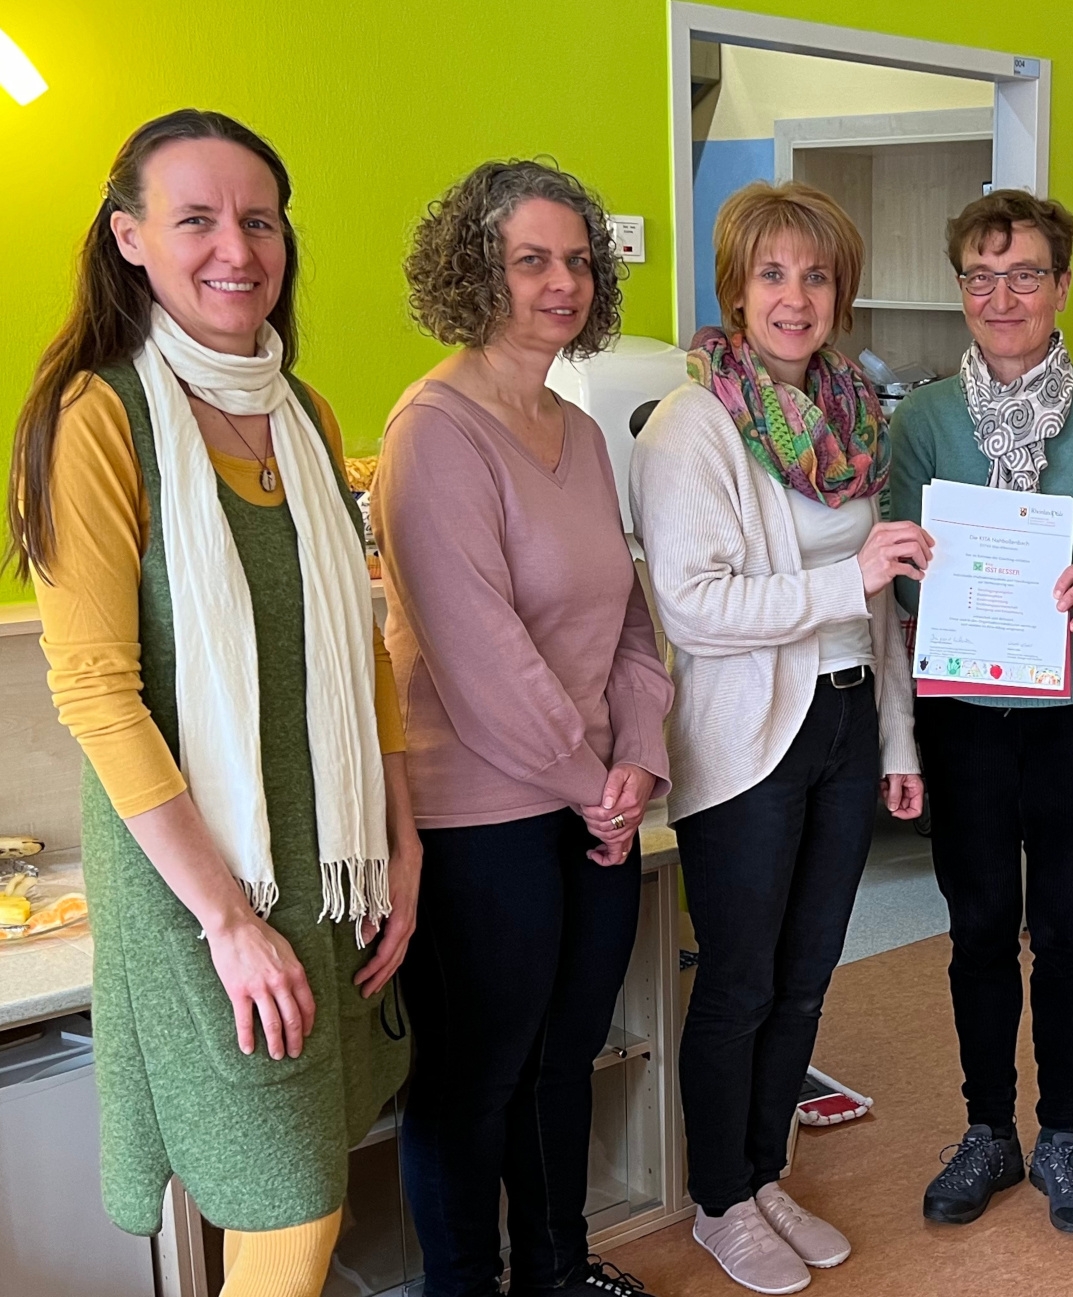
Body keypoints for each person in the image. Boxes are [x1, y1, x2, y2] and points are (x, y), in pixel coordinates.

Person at [6, 109, 417, 1297]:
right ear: (130, 237)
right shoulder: (98, 420)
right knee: (290, 1209)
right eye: (196, 219)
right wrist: (228, 920)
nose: (236, 246)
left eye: (259, 218)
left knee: (307, 1186)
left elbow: (364, 645)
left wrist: (402, 836)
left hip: (325, 859)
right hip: (202, 887)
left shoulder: (306, 414)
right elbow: (95, 694)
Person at [374, 160, 672, 1297]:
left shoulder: (581, 432)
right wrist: (592, 774)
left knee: (564, 1057)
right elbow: (478, 650)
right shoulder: (433, 430)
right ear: (473, 272)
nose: (564, 283)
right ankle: (466, 1285)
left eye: (579, 259)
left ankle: (558, 1268)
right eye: (531, 260)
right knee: (474, 1073)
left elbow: (631, 620)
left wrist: (634, 757)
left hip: (592, 798)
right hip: (481, 810)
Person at [629, 180, 926, 1296]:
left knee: (807, 978)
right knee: (741, 982)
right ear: (735, 290)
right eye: (772, 274)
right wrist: (843, 575)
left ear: (839, 291)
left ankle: (764, 1171)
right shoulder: (690, 423)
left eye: (815, 275)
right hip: (749, 734)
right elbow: (698, 606)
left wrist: (898, 744)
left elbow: (881, 598)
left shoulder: (855, 419)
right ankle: (720, 1202)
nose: (795, 297)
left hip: (848, 718)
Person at [886, 190, 1073, 1236]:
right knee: (973, 931)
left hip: (1072, 711)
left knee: (1067, 932)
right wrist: (936, 591)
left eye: (1024, 275)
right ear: (960, 287)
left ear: (1060, 287)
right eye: (979, 275)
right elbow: (898, 570)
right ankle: (985, 1129)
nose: (1001, 296)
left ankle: (1061, 1131)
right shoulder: (918, 421)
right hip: (963, 713)